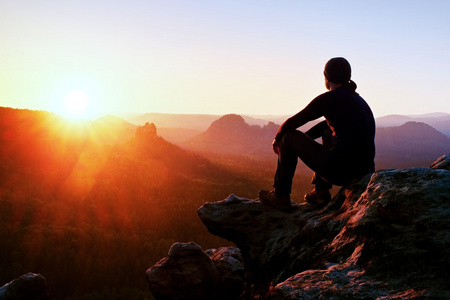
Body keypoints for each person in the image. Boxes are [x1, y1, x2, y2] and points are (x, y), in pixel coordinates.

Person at [259, 57, 375, 211]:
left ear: (326, 77)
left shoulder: (329, 99)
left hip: (341, 171)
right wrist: (303, 142)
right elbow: (325, 126)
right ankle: (321, 192)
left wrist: (278, 139)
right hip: (363, 171)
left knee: (288, 137)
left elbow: (293, 122)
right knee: (327, 132)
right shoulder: (358, 99)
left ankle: (280, 196)